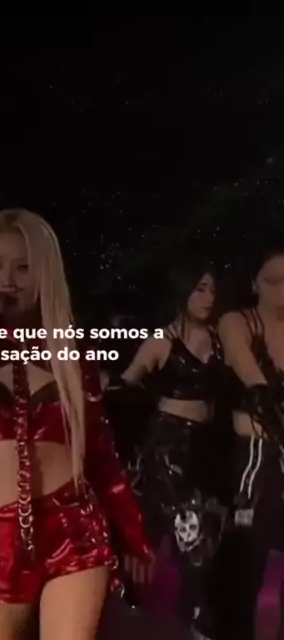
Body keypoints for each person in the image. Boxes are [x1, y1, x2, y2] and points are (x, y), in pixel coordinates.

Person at [0, 208, 154, 639]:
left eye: (23, 267)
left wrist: (133, 535)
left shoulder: (71, 353)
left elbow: (101, 454)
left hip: (72, 527)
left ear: (45, 274)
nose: (8, 280)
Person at [111, 259, 227, 637]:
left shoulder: (221, 340)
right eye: (200, 289)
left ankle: (147, 590)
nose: (209, 297)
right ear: (183, 292)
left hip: (204, 445)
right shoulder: (163, 340)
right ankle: (195, 612)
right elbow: (127, 382)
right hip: (167, 446)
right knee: (192, 524)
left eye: (212, 289)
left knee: (169, 521)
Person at [213, 242, 284, 639]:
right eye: (273, 281)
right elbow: (257, 388)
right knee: (247, 557)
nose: (283, 291)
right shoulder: (237, 321)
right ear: (254, 283)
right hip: (255, 456)